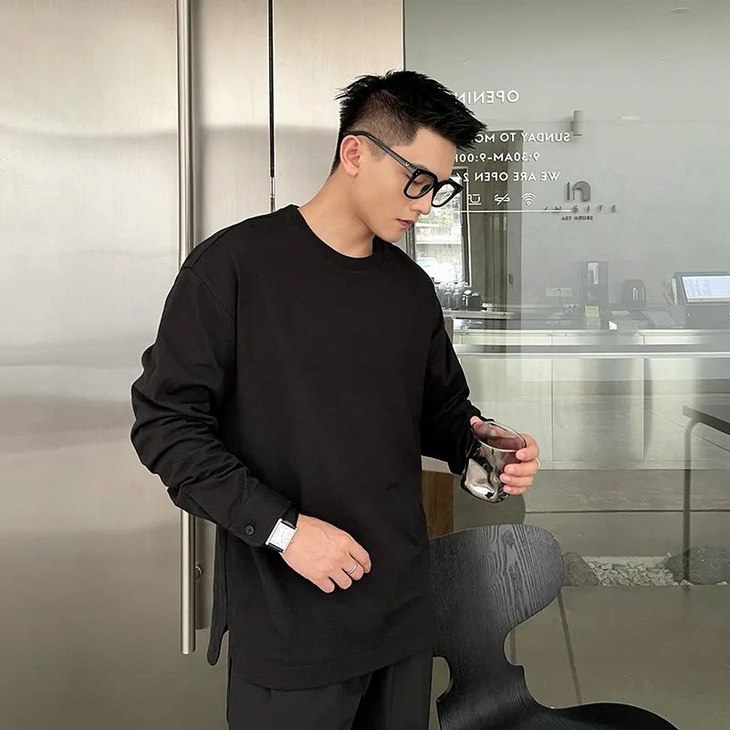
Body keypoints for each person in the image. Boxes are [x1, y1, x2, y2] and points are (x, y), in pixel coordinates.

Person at [130, 69, 540, 730]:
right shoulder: (232, 269)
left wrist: (484, 446)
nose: (427, 204)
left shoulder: (408, 289)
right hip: (290, 623)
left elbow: (440, 411)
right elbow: (167, 428)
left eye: (440, 187)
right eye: (418, 180)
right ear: (355, 152)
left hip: (400, 618)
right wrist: (285, 530)